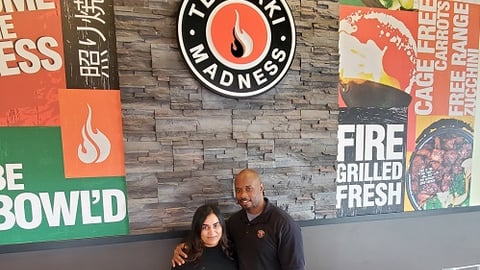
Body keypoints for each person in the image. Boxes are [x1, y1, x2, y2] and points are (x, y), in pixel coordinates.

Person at [172, 168, 305, 270]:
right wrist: (184, 246)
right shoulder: (235, 222)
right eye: (238, 190)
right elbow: (212, 234)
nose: (243, 195)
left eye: (248, 189)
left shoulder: (284, 224)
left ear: (261, 188)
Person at [171, 204, 237, 270]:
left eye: (215, 225)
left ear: (222, 226)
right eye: (205, 227)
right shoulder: (183, 256)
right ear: (198, 229)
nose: (212, 232)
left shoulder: (232, 250)